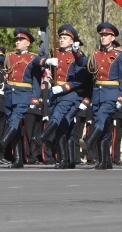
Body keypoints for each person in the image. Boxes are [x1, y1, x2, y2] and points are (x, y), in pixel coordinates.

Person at [0, 28, 53, 169]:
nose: (17, 42)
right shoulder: (9, 56)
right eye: (16, 40)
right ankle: (18, 158)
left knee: (15, 120)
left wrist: (48, 59)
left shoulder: (32, 58)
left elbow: (38, 70)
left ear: (28, 43)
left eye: (21, 40)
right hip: (9, 94)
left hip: (23, 94)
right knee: (13, 126)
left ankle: (3, 142)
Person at [33, 25, 86, 169]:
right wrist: (47, 62)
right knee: (65, 127)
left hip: (69, 93)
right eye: (60, 37)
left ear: (72, 41)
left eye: (65, 38)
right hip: (54, 93)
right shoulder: (54, 52)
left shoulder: (78, 56)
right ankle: (68, 160)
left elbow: (79, 78)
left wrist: (63, 88)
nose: (61, 40)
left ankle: (43, 137)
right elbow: (40, 64)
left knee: (58, 118)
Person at [84, 23, 122, 170]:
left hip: (111, 93)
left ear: (112, 38)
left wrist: (121, 97)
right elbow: (88, 70)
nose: (103, 38)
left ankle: (89, 142)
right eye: (102, 35)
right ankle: (105, 160)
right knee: (105, 127)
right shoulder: (95, 54)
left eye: (106, 36)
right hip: (97, 93)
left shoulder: (118, 55)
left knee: (101, 118)